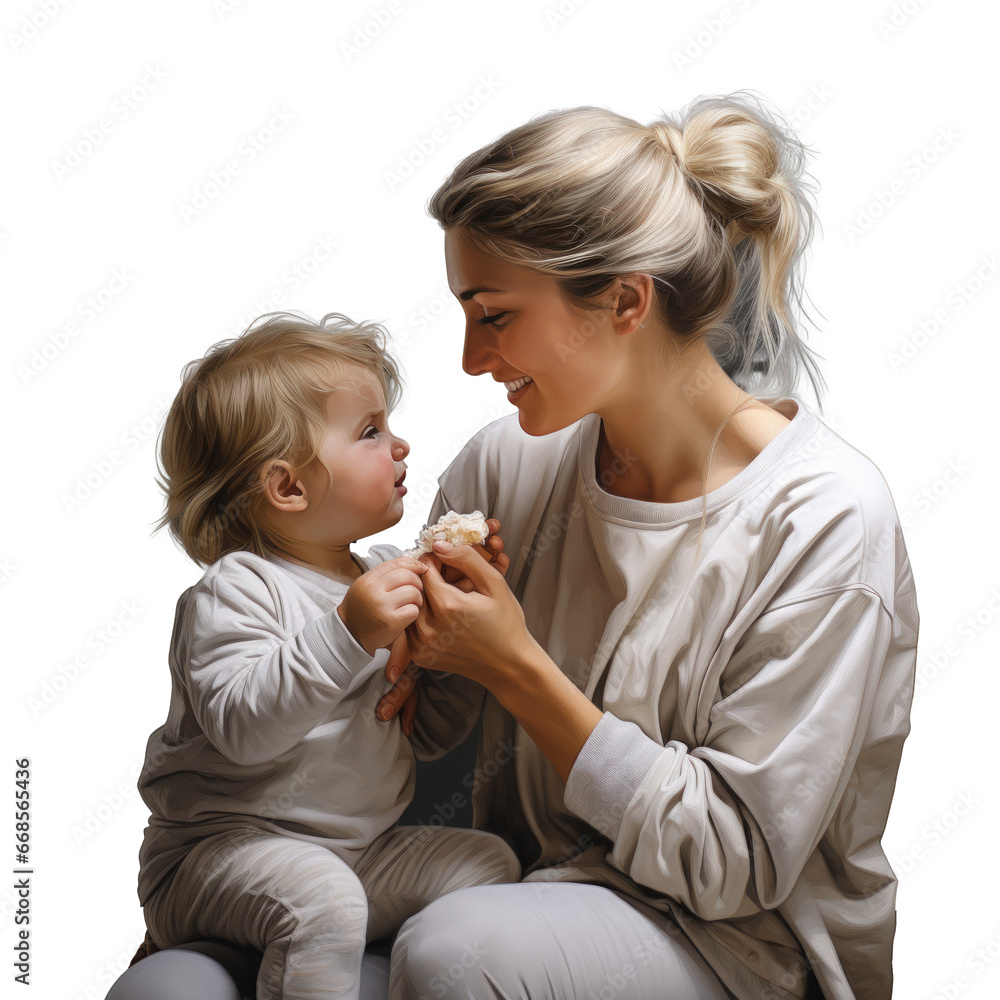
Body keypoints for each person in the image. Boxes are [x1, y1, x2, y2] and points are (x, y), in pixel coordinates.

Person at [107, 89, 919, 1000]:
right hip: (487, 888)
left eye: (493, 315)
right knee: (172, 991)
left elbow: (730, 865)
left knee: (462, 949)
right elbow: (399, 741)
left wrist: (516, 667)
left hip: (723, 939)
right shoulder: (507, 468)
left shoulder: (823, 522)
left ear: (623, 301)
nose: (466, 359)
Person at [125, 312, 521, 1000]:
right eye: (370, 432)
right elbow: (245, 730)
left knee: (486, 863)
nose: (400, 445)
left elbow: (426, 734)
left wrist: (453, 653)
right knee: (324, 903)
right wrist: (347, 631)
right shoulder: (241, 588)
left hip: (355, 853)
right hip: (218, 856)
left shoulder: (385, 577)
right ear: (288, 488)